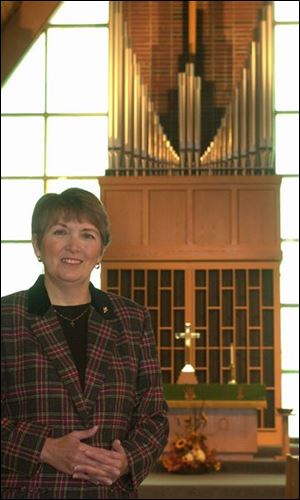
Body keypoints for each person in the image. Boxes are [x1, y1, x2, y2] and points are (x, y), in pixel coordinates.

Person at [1, 187, 169, 499]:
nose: (73, 245)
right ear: (38, 244)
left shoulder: (132, 319)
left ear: (101, 251)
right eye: (60, 231)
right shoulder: (6, 317)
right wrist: (45, 449)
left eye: (87, 235)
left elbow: (153, 415)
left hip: (108, 491)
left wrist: (126, 460)